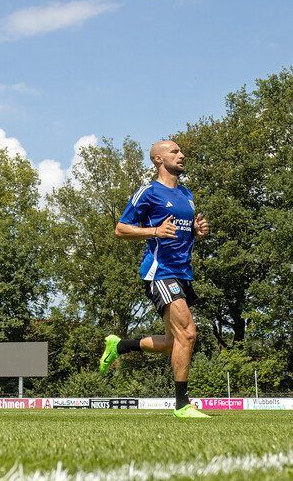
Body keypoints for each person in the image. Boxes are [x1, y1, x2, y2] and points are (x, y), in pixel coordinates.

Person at [101, 140, 210, 418]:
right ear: (158, 159)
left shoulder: (187, 193)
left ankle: (120, 345)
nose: (181, 154)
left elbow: (181, 231)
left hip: (184, 273)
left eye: (181, 151)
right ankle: (182, 404)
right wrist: (154, 232)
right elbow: (120, 229)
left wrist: (196, 231)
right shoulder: (148, 191)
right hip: (160, 272)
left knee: (175, 344)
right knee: (188, 333)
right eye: (174, 152)